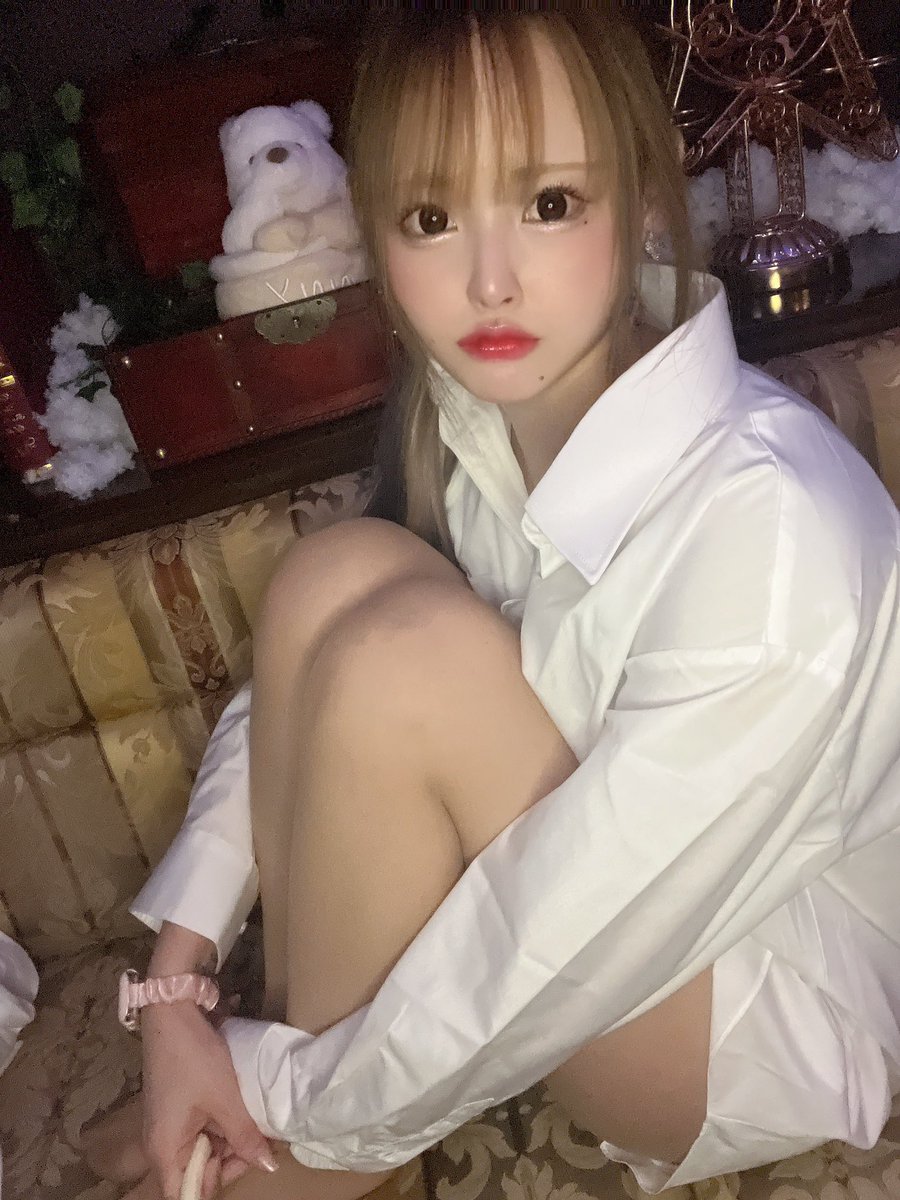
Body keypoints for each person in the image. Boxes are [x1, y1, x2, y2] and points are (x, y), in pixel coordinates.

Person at [82, 8, 900, 1200]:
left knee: (405, 664)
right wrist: (175, 978)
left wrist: (267, 1083)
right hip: (595, 907)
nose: (489, 281)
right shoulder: (486, 429)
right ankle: (247, 1123)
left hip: (760, 1006)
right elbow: (289, 699)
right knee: (336, 572)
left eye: (549, 203)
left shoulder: (773, 537)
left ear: (642, 194)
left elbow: (554, 948)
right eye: (431, 219)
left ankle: (267, 1162)